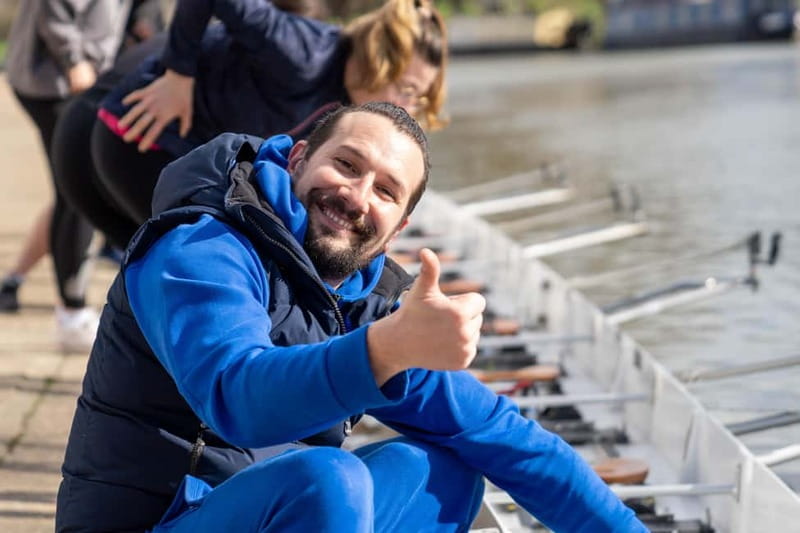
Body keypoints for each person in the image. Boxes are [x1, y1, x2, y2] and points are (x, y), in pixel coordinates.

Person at [56, 102, 647, 532]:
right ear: (298, 158)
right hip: (145, 522)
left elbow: (507, 439)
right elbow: (236, 396)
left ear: (400, 228)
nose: (358, 195)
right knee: (328, 481)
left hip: (241, 515)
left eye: (387, 191)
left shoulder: (366, 307)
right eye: (346, 164)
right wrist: (386, 351)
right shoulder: (200, 248)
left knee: (442, 472)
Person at [59, 0, 446, 251]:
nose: (407, 107)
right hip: (135, 142)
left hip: (155, 152)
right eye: (408, 89)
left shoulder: (348, 108)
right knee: (207, 260)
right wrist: (180, 73)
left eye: (419, 98)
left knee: (161, 276)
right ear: (380, 58)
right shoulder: (303, 52)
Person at [0, 0, 163, 351]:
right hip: (55, 78)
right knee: (76, 191)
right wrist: (74, 61)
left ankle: (16, 279)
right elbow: (53, 8)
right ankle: (71, 314)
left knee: (70, 192)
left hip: (96, 71)